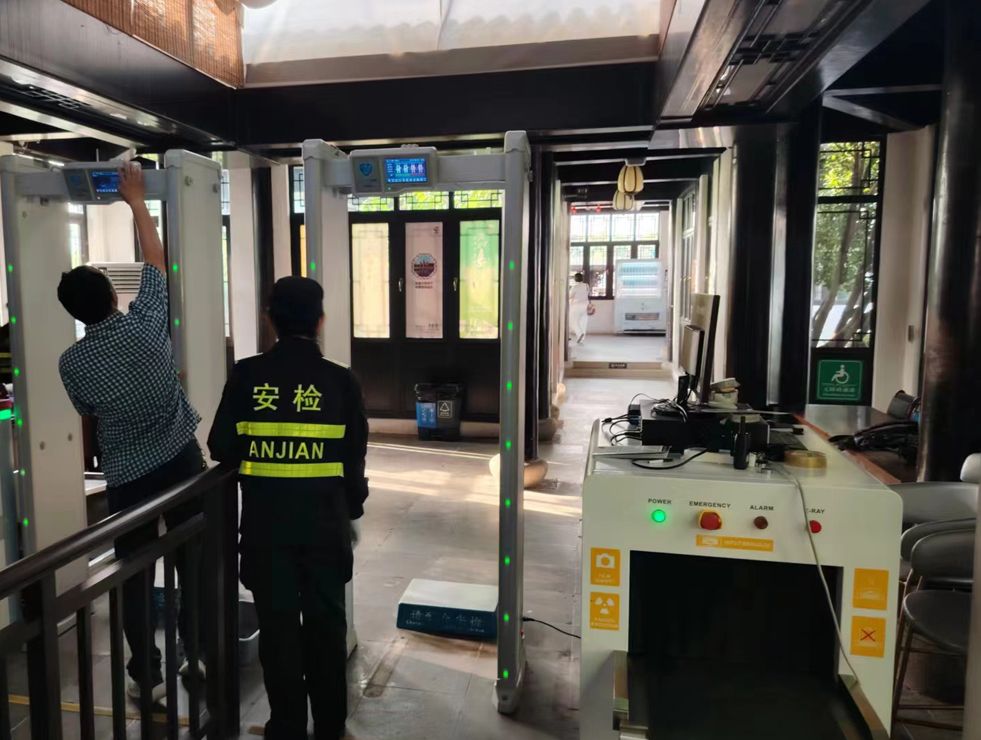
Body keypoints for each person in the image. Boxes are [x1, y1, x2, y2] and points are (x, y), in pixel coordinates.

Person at [57, 163, 206, 703]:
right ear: (115, 296)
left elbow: (88, 410)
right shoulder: (146, 325)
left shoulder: (73, 362)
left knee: (135, 574)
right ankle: (197, 653)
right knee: (193, 563)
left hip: (127, 480)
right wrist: (138, 201)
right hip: (182, 463)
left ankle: (147, 675)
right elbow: (156, 262)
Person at [208, 276, 369, 740]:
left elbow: (221, 445)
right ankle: (331, 726)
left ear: (269, 320)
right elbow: (354, 458)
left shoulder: (247, 376)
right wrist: (351, 508)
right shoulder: (340, 380)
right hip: (324, 530)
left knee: (278, 632)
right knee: (326, 628)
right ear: (320, 321)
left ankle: (286, 727)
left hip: (266, 532)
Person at [569, 271, 591, 344]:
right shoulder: (586, 285)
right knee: (583, 322)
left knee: (573, 321)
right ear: (582, 278)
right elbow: (588, 294)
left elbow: (570, 296)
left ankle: (579, 333)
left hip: (576, 306)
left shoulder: (574, 287)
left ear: (575, 279)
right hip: (585, 306)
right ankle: (581, 339)